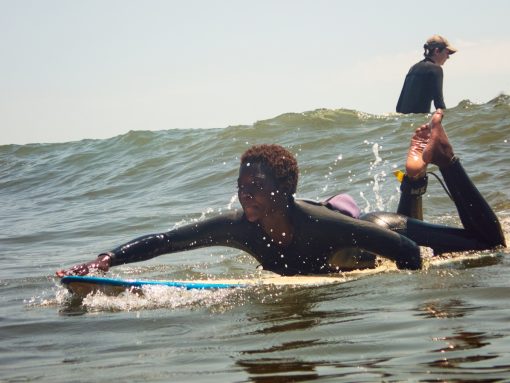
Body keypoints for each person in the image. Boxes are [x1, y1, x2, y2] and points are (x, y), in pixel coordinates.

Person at [56, 111, 505, 277]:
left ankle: (442, 159)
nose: (244, 195)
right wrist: (108, 259)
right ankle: (413, 175)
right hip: (355, 238)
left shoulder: (320, 225)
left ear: (285, 189)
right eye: (240, 186)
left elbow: (407, 250)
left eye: (255, 187)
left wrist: (410, 290)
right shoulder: (240, 229)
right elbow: (167, 240)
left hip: (374, 229)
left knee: (488, 245)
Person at [396, 35, 457, 114]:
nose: (448, 57)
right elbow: (439, 104)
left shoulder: (412, 68)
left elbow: (399, 107)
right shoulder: (436, 69)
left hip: (403, 121)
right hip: (419, 122)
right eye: (447, 52)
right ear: (437, 51)